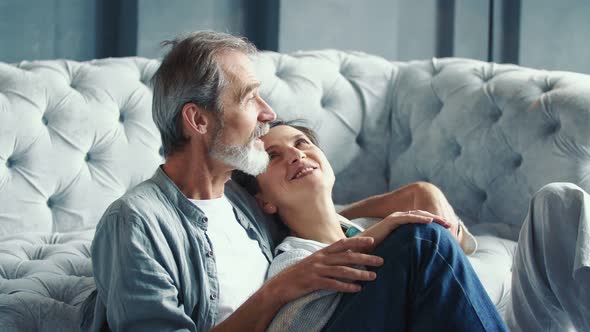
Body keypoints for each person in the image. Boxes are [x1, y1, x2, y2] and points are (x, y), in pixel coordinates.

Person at [81, 30, 507, 331]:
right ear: (197, 119)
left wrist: (414, 197)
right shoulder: (136, 223)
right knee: (424, 244)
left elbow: (317, 209)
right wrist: (278, 291)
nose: (267, 113)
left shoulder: (241, 200)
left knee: (422, 252)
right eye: (249, 97)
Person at [233, 120, 505, 331]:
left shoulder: (365, 227)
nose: (295, 155)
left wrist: (369, 231)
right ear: (264, 201)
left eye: (301, 143)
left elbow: (419, 195)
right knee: (423, 239)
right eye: (273, 156)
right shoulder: (292, 259)